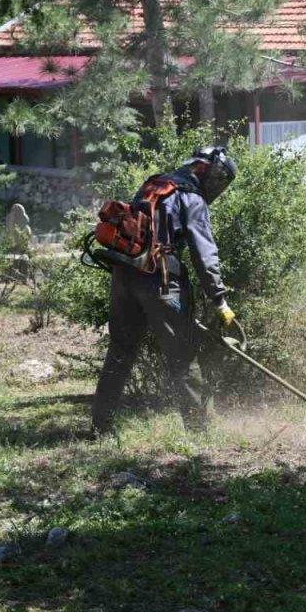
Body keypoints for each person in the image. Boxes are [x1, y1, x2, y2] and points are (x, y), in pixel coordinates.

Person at [91, 146, 238, 433]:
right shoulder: (192, 197)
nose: (217, 186)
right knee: (182, 354)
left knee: (120, 351)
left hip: (124, 275)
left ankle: (100, 426)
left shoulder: (154, 184)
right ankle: (199, 431)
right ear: (205, 171)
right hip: (160, 277)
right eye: (219, 179)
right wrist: (219, 300)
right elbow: (203, 252)